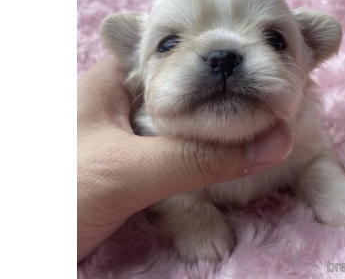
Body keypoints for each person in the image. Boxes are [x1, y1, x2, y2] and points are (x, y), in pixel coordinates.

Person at [77, 59, 294, 262]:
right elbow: (164, 188)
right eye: (170, 43)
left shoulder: (301, 136)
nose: (221, 60)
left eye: (274, 39)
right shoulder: (138, 142)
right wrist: (190, 215)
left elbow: (314, 161)